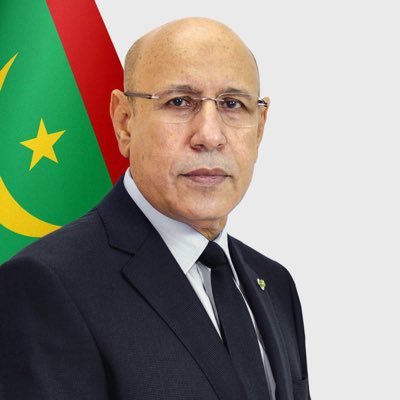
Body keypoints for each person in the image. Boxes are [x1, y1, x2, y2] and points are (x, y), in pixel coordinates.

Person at [0, 17, 311, 400]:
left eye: (233, 104)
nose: (209, 135)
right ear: (124, 122)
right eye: (179, 102)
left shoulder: (275, 283)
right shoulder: (46, 285)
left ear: (260, 126)